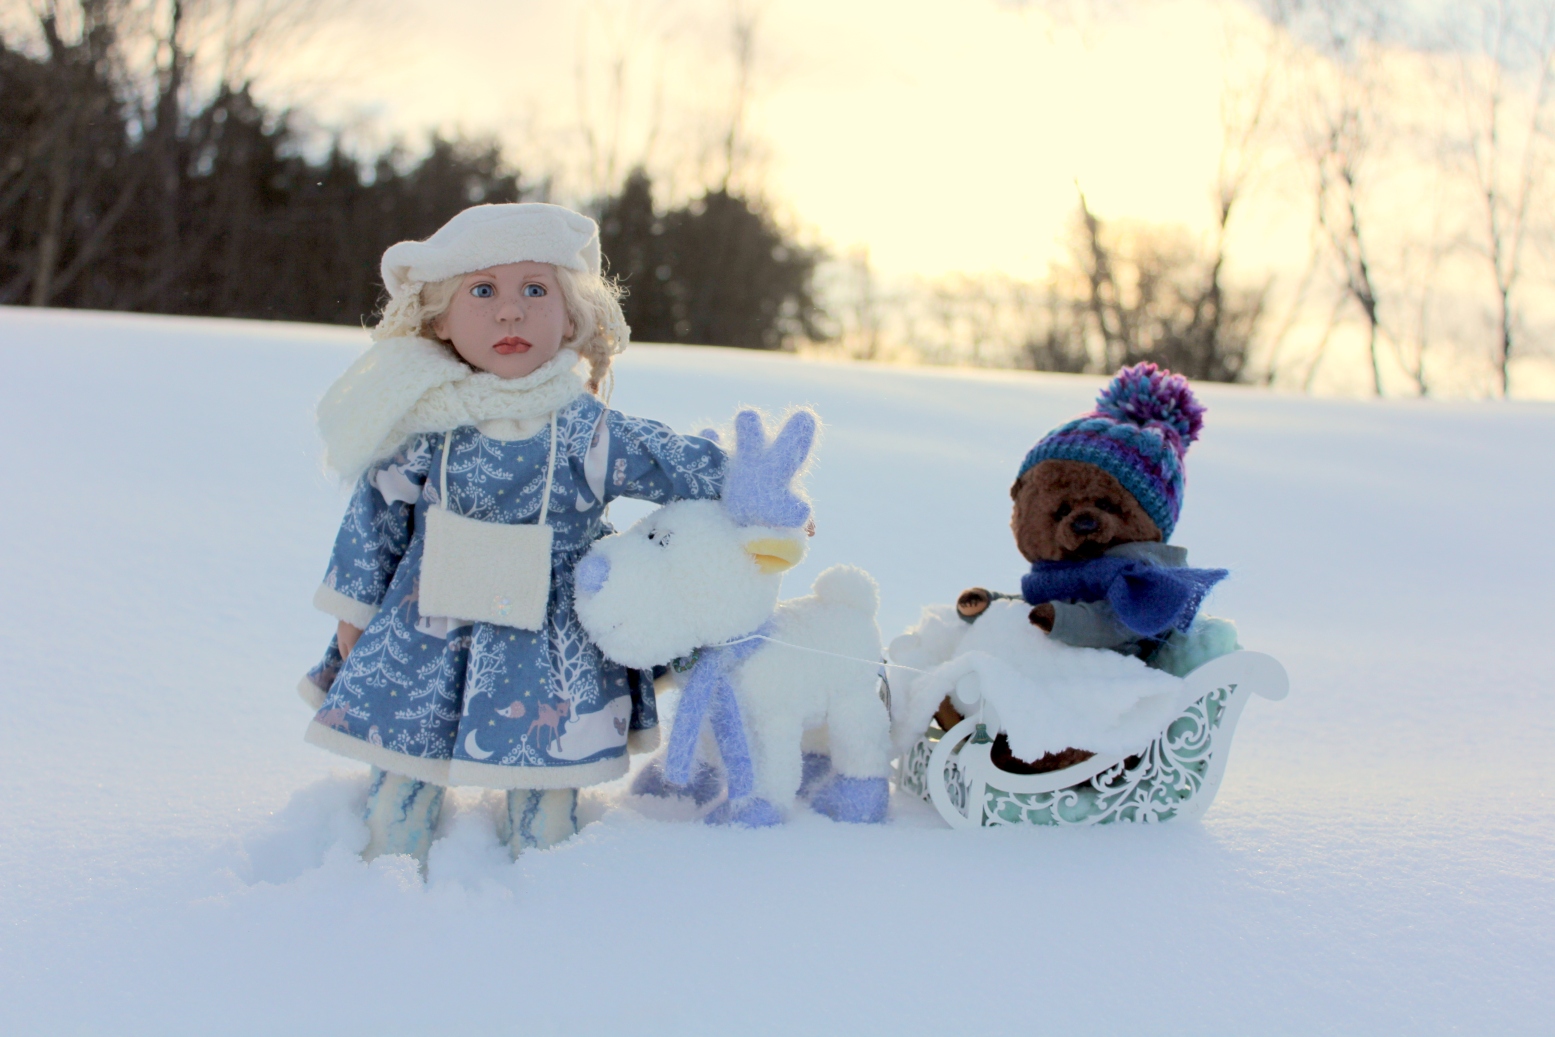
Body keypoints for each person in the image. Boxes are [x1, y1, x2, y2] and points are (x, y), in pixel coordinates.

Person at [297, 203, 726, 865]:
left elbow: (671, 460)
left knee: (546, 750)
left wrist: (755, 492)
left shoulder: (588, 430)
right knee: (410, 737)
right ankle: (389, 853)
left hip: (550, 630)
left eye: (535, 289)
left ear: (571, 314)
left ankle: (545, 857)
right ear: (440, 319)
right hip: (427, 620)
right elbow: (376, 516)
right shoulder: (423, 426)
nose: (509, 312)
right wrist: (353, 611)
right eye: (482, 291)